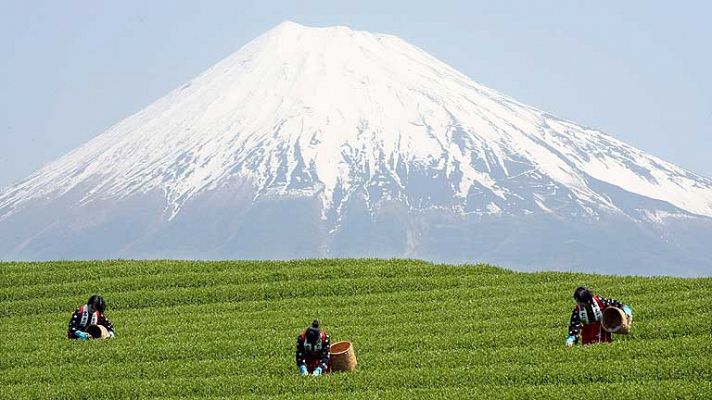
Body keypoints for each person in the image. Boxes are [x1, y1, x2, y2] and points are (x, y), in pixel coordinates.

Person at [566, 286, 632, 347]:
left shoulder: (599, 301)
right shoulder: (578, 310)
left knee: (604, 346)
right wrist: (571, 338)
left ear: (586, 300)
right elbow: (574, 324)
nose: (578, 303)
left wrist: (625, 309)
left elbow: (613, 303)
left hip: (601, 329)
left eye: (579, 301)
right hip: (587, 333)